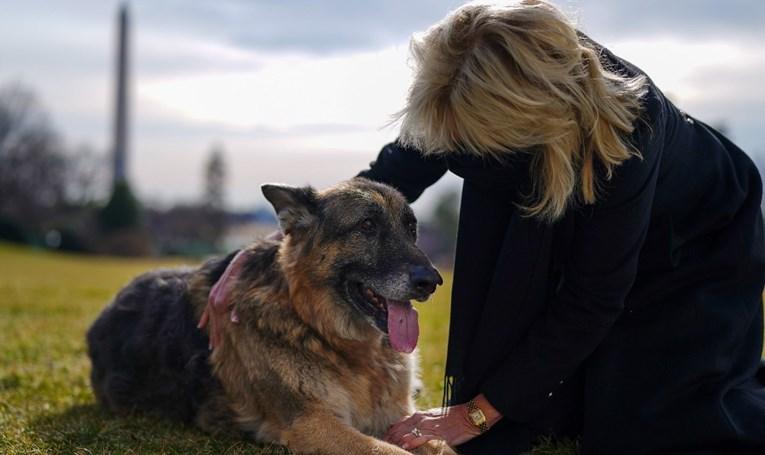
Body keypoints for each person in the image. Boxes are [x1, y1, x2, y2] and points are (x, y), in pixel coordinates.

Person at [202, 1, 765, 453]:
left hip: (695, 237)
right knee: (548, 410)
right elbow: (385, 177)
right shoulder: (461, 75)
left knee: (651, 426)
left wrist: (474, 415)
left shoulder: (628, 134)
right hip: (580, 207)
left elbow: (594, 296)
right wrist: (274, 248)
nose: (455, 144)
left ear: (526, 117)